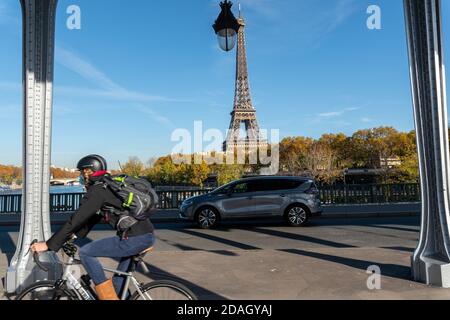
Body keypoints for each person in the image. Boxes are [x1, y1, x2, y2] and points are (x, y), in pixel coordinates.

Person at [31, 155, 156, 300]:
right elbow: (92, 218)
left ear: (89, 172)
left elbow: (76, 219)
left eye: (82, 172)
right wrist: (73, 236)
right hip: (143, 235)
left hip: (135, 238)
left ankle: (107, 298)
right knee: (118, 283)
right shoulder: (107, 187)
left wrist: (48, 245)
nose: (81, 176)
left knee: (86, 253)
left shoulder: (98, 190)